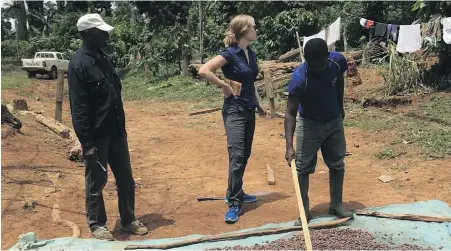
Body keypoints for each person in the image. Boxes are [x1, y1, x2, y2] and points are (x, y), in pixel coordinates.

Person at [68, 13, 148, 240]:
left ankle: (128, 219)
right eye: (101, 31)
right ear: (87, 34)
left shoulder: (104, 58)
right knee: (96, 182)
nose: (106, 35)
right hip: (97, 136)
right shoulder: (78, 65)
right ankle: (97, 224)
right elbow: (79, 109)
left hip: (116, 131)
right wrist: (87, 144)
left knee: (125, 178)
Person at [199, 15, 266, 224]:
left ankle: (235, 190)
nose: (256, 30)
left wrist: (259, 103)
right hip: (234, 111)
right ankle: (235, 202)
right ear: (244, 30)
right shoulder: (230, 53)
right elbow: (204, 70)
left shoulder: (251, 54)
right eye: (254, 27)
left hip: (248, 109)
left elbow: (251, 82)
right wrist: (223, 85)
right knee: (236, 155)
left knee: (244, 154)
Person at [284, 38, 353, 225]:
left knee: (337, 163)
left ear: (327, 57)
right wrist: (289, 146)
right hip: (309, 125)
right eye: (312, 63)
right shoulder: (299, 78)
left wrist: (340, 107)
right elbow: (290, 114)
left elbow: (339, 82)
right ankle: (304, 211)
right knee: (302, 168)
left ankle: (336, 204)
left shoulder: (336, 61)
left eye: (320, 63)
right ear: (305, 58)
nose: (317, 67)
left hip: (334, 121)